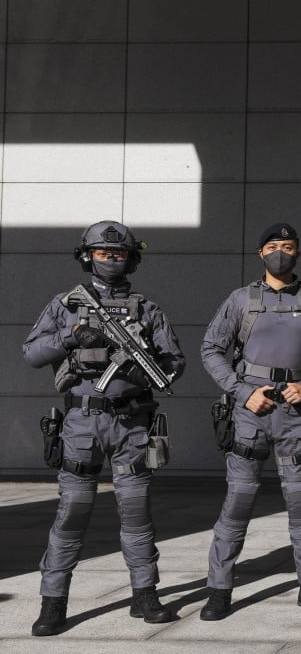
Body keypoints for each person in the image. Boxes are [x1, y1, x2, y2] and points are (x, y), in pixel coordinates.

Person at [22, 221, 186, 636]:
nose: (110, 259)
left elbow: (174, 361)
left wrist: (143, 369)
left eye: (118, 254)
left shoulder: (146, 308)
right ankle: (53, 601)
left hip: (132, 423)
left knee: (136, 512)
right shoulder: (66, 304)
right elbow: (31, 353)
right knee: (73, 511)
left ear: (131, 259)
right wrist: (73, 335)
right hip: (82, 422)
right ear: (86, 256)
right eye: (102, 253)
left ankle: (145, 595)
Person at [199, 222, 301, 620]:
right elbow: (211, 348)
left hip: (296, 415)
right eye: (274, 246)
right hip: (250, 413)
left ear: (298, 253)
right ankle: (220, 589)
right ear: (261, 253)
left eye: (289, 246)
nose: (281, 252)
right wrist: (244, 392)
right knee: (238, 502)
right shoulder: (241, 299)